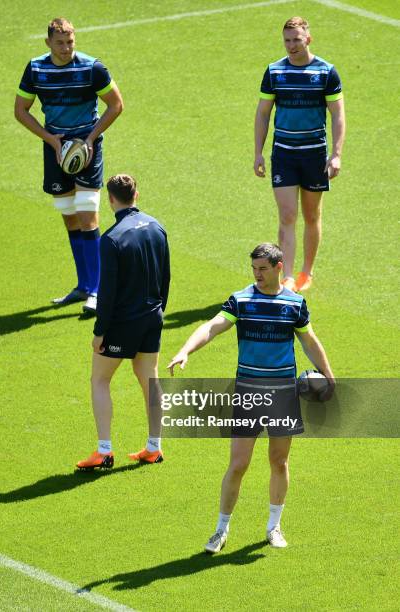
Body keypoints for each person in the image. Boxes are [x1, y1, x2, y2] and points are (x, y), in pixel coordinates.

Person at [167, 243, 334, 550]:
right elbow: (213, 327)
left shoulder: (295, 304)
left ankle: (274, 527)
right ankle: (221, 529)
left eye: (263, 269)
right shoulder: (242, 300)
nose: (257, 274)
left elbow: (310, 341)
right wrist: (185, 350)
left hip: (283, 394)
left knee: (279, 461)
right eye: (254, 268)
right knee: (238, 464)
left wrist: (329, 375)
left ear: (278, 267)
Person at [14, 17, 124, 314]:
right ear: (48, 42)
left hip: (86, 147)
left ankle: (99, 291)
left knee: (88, 218)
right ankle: (83, 286)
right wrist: (50, 139)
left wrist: (90, 139)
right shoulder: (36, 68)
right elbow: (20, 110)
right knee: (69, 218)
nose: (66, 48)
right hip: (56, 148)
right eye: (60, 43)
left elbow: (116, 105)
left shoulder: (92, 67)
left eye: (70, 42)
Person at [77, 175, 170, 469]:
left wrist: (99, 331)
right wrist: (159, 312)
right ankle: (154, 447)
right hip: (152, 316)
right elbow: (165, 276)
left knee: (100, 380)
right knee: (150, 380)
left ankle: (104, 451)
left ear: (111, 199)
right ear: (136, 195)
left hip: (122, 322)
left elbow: (108, 291)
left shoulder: (112, 238)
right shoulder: (157, 227)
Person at [254, 17, 345, 292]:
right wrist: (258, 153)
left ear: (308, 39)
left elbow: (338, 115)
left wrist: (337, 154)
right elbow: (263, 113)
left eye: (296, 39)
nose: (291, 45)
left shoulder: (326, 72)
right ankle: (289, 275)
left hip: (314, 154)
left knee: (311, 215)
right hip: (283, 154)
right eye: (287, 40)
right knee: (287, 215)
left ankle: (307, 271)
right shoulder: (274, 72)